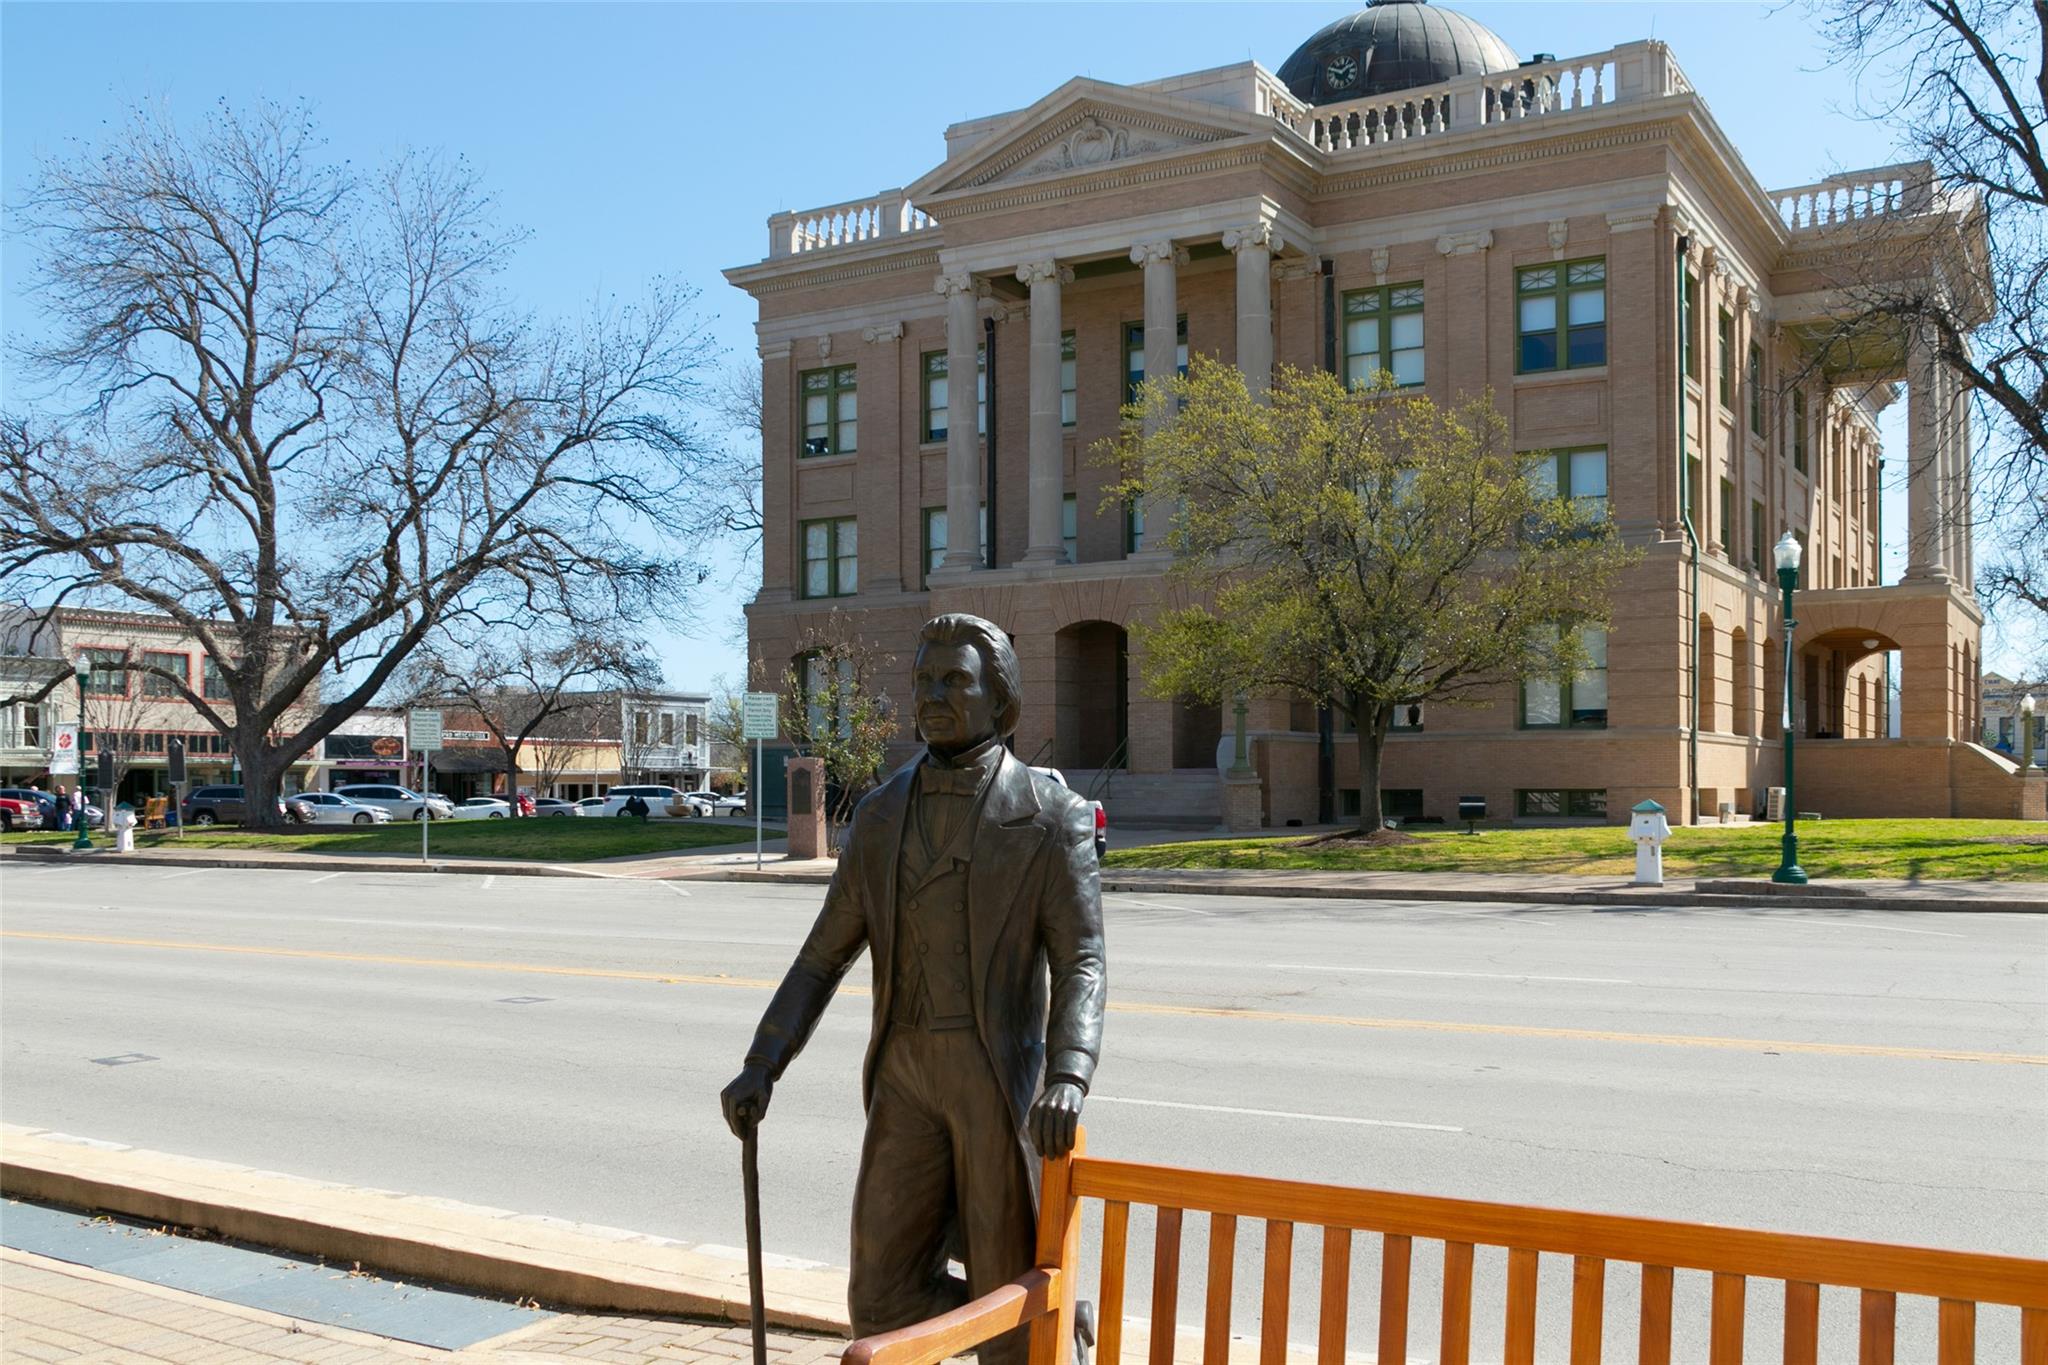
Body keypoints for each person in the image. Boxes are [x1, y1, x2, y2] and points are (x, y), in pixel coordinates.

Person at [722, 613, 1105, 1365]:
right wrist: (763, 1062)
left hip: (992, 1078)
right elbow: (821, 957)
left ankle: (1043, 1332)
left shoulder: (1051, 817)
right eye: (924, 680)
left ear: (1000, 697)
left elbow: (1081, 961)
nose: (933, 694)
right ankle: (1051, 1325)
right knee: (880, 1298)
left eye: (955, 680)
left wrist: (1069, 1073)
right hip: (904, 1074)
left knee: (1004, 1287)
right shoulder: (879, 815)